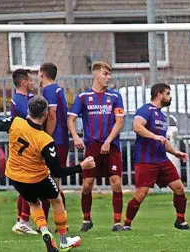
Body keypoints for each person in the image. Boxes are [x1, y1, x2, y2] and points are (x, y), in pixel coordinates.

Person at [0, 95, 95, 252]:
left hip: (16, 177)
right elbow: (57, 171)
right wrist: (82, 166)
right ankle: (64, 241)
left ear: (28, 111)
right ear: (45, 114)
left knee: (34, 203)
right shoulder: (45, 140)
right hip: (38, 177)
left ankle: (44, 231)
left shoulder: (15, 122)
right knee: (56, 200)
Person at [122, 83, 190, 230]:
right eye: (167, 93)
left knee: (179, 188)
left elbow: (163, 140)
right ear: (159, 94)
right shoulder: (146, 109)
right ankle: (126, 224)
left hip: (161, 160)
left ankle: (180, 221)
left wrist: (176, 152)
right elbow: (137, 126)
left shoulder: (161, 115)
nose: (169, 97)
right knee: (141, 194)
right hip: (146, 160)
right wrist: (154, 136)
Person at [67, 61, 125, 231]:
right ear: (95, 75)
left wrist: (108, 141)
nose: (108, 78)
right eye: (105, 74)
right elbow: (70, 119)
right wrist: (76, 137)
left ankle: (117, 222)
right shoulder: (83, 97)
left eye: (109, 74)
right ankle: (86, 220)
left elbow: (120, 121)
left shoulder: (115, 97)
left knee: (116, 183)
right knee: (87, 185)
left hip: (112, 145)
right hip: (92, 146)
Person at [39, 62, 70, 219]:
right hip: (62, 140)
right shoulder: (58, 89)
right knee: (53, 182)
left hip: (55, 141)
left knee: (49, 182)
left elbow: (52, 115)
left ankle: (51, 220)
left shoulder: (49, 90)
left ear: (42, 73)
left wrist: (46, 137)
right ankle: (58, 220)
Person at [9, 68, 38, 235]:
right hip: (23, 147)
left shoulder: (28, 98)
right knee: (29, 183)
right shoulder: (18, 100)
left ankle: (22, 220)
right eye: (31, 80)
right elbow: (31, 117)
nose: (33, 83)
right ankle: (23, 220)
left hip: (29, 145)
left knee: (27, 184)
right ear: (24, 83)